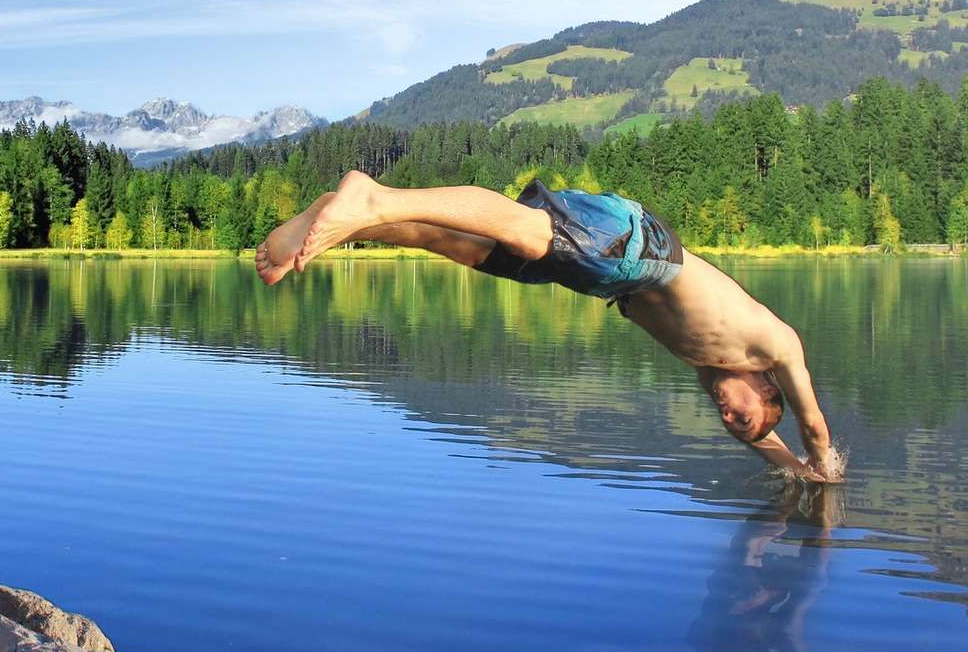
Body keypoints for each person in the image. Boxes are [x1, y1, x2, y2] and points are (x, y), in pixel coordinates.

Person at [255, 171, 841, 481]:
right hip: (639, 249)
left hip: (607, 277)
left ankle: (350, 215)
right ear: (767, 387)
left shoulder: (710, 366)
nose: (728, 416)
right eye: (743, 415)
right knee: (524, 228)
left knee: (466, 249)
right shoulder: (774, 344)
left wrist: (794, 475)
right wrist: (826, 470)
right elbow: (812, 423)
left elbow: (768, 441)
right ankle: (378, 199)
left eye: (730, 425)